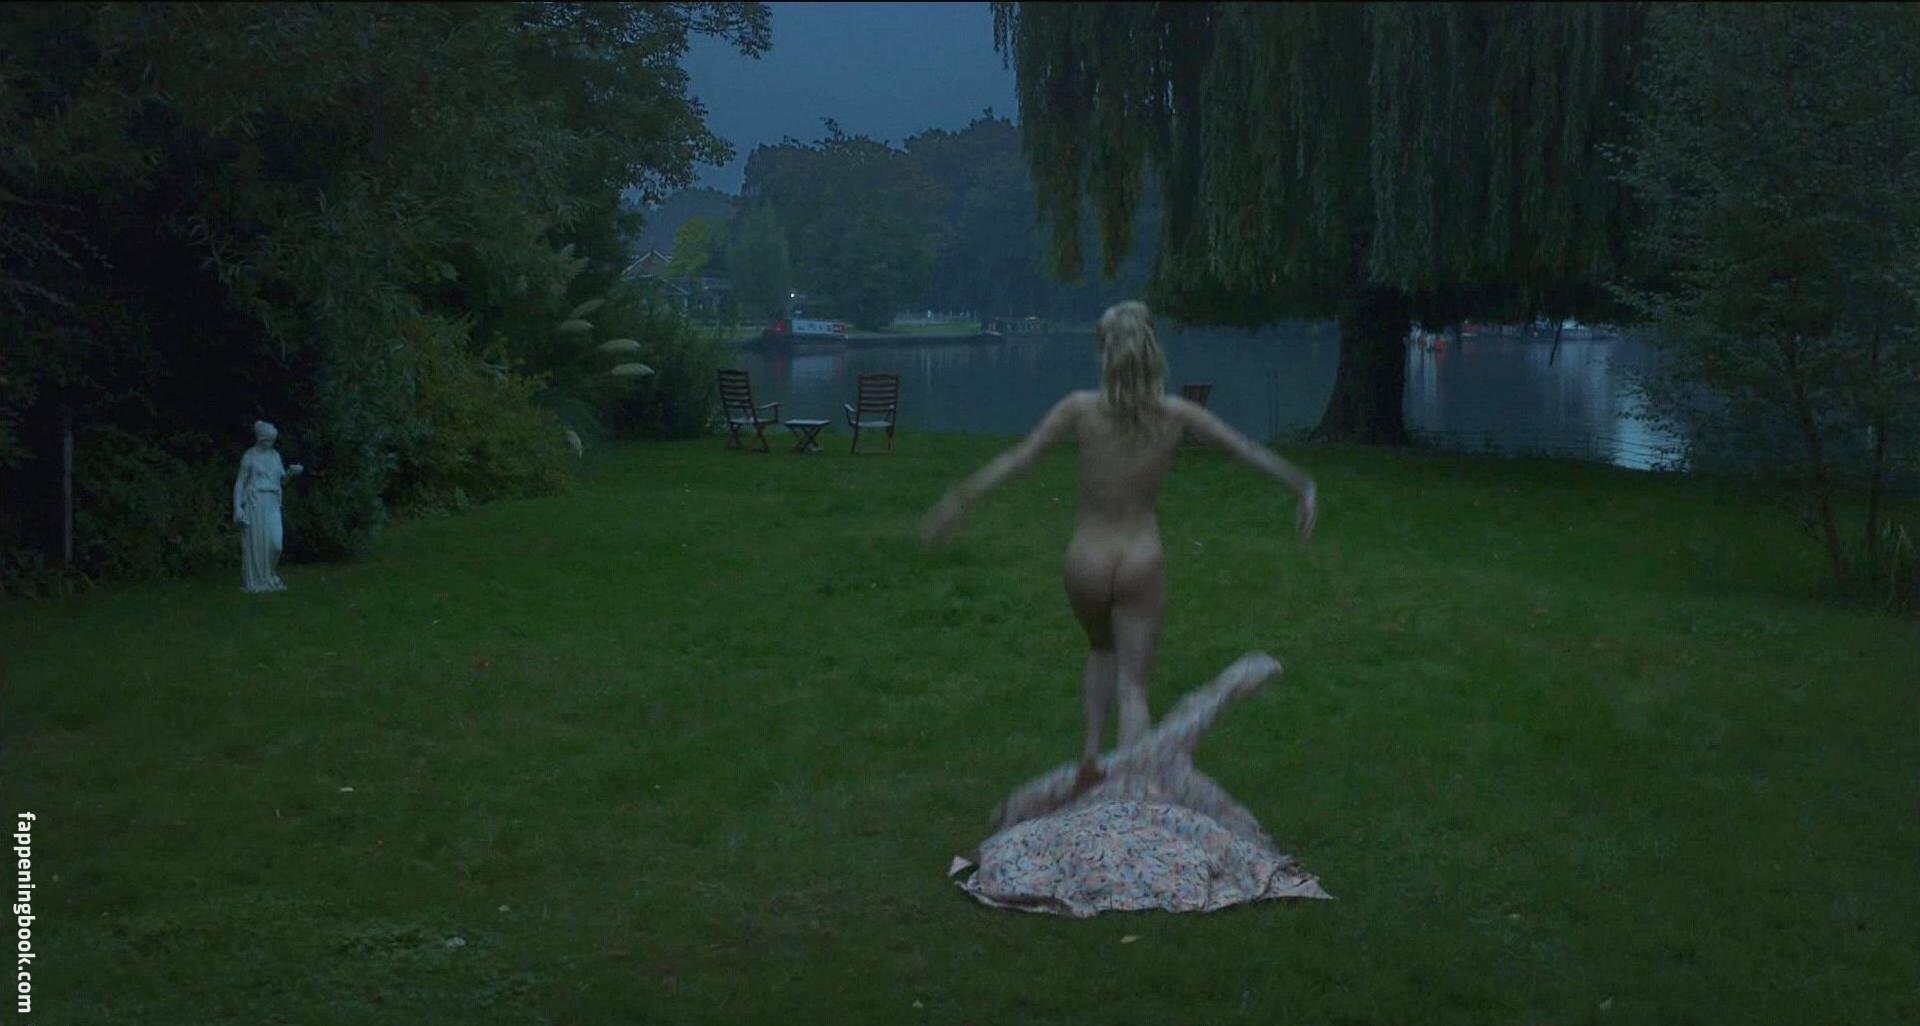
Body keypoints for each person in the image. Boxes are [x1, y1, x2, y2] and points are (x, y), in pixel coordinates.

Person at [921, 301, 1317, 788]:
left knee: (1100, 649)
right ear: (1152, 352)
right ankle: (1134, 794)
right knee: (1134, 687)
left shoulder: (1079, 409)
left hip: (1086, 558)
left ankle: (1091, 755)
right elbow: (1245, 449)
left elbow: (1019, 459)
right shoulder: (1175, 414)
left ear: (1105, 353)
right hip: (1140, 557)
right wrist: (1302, 486)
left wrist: (957, 501)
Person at [233, 420, 303, 593]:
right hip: (255, 502)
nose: (271, 443)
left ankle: (269, 574)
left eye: (273, 440)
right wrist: (237, 507)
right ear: (260, 439)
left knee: (276, 543)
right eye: (269, 440)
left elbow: (282, 480)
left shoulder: (275, 456)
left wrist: (291, 473)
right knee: (257, 543)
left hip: (272, 502)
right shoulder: (249, 456)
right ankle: (259, 580)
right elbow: (240, 483)